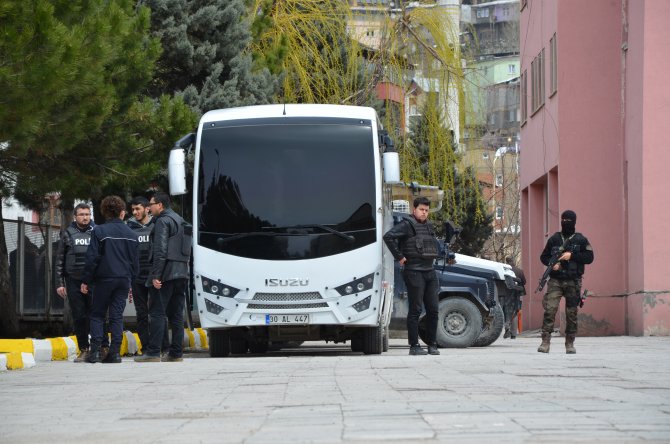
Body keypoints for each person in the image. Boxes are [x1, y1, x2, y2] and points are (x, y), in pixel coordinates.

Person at [80, 196, 139, 363]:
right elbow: (135, 261)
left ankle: (95, 353)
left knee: (97, 314)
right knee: (116, 316)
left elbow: (92, 258)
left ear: (105, 212)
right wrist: (132, 279)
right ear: (122, 212)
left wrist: (86, 280)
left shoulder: (99, 231)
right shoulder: (132, 234)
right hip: (124, 280)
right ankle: (115, 353)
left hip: (104, 279)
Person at [134, 192, 189, 363]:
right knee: (177, 315)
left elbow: (160, 250)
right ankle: (176, 353)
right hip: (182, 272)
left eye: (151, 204)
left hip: (166, 273)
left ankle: (153, 352)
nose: (149, 208)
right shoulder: (181, 220)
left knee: (157, 312)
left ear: (160, 205)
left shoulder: (162, 221)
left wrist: (156, 275)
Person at [383, 197, 440, 356]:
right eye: (421, 209)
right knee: (415, 309)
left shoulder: (429, 226)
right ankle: (414, 346)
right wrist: (400, 257)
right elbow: (388, 237)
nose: (424, 213)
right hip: (414, 271)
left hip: (429, 271)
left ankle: (432, 344)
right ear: (414, 209)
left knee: (433, 310)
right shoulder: (406, 225)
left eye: (427, 210)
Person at [538, 210, 594, 354]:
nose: (566, 223)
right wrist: (553, 264)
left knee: (571, 313)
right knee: (550, 310)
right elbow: (543, 257)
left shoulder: (581, 240)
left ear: (574, 222)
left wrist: (572, 256)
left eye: (569, 221)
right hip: (556, 280)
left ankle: (570, 343)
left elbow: (589, 257)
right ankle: (545, 342)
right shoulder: (554, 239)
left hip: (573, 281)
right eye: (564, 220)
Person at [55, 203, 105, 362]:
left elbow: (103, 256)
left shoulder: (97, 231)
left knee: (96, 314)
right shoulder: (68, 233)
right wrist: (59, 283)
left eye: (88, 214)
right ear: (75, 216)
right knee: (79, 316)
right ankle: (84, 349)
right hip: (73, 280)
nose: (85, 217)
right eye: (82, 214)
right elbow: (60, 259)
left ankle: (100, 348)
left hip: (93, 281)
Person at [126, 196, 155, 350]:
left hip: (154, 275)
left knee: (157, 313)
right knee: (142, 314)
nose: (135, 212)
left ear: (147, 208)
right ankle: (146, 347)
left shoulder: (157, 225)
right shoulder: (129, 227)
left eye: (138, 209)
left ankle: (161, 347)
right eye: (133, 210)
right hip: (137, 277)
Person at [502, 256, 526, 339]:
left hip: (505, 293)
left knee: (506, 310)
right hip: (516, 293)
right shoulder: (519, 271)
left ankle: (507, 328)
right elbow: (524, 282)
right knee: (515, 311)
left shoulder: (504, 269)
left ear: (506, 262)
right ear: (513, 261)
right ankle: (513, 334)